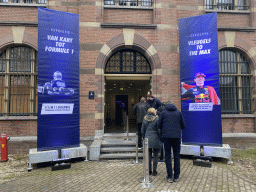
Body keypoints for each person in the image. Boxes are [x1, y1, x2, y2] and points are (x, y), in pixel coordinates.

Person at [158, 101, 185, 183]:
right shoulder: (178, 113)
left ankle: (169, 176)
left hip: (166, 137)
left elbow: (159, 125)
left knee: (168, 156)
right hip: (176, 137)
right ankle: (176, 176)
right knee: (177, 156)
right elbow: (183, 125)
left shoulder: (163, 113)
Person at [141, 107, 162, 176]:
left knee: (149, 155)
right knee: (156, 155)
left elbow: (142, 130)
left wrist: (144, 138)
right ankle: (154, 170)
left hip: (147, 139)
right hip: (156, 138)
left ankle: (149, 170)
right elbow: (159, 130)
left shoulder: (144, 119)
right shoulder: (157, 119)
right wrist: (160, 137)